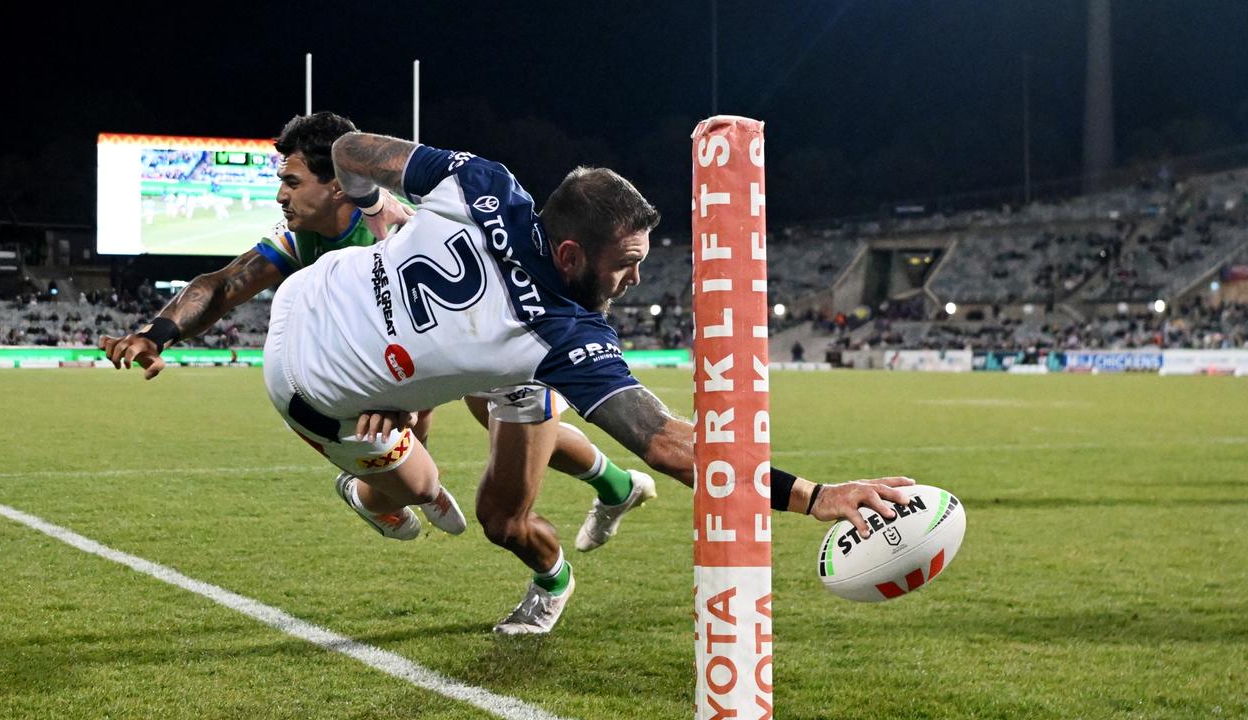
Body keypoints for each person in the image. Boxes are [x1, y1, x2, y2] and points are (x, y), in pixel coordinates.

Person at [249, 129, 914, 635]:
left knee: (496, 517)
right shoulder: (568, 333)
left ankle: (570, 545)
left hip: (311, 309)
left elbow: (348, 148)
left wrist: (374, 208)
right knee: (423, 487)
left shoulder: (484, 182)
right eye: (625, 264)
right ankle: (598, 487)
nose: (634, 282)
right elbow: (670, 445)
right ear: (570, 255)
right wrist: (813, 495)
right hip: (322, 382)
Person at [99, 111, 652, 551]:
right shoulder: (302, 239)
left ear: (339, 186)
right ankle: (614, 487)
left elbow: (434, 346)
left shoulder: (392, 229)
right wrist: (158, 331)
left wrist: (402, 404)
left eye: (291, 181)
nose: (279, 195)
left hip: (492, 332)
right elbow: (224, 284)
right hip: (423, 358)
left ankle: (612, 489)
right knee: (441, 458)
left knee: (508, 419)